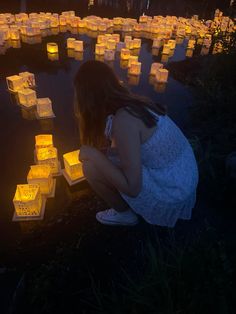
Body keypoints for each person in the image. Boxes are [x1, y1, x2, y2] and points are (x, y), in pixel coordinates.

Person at [74, 60, 199, 227]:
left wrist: (93, 154)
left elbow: (133, 188)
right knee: (105, 157)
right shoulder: (135, 103)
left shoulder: (124, 120)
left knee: (90, 167)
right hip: (183, 175)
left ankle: (125, 215)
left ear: (87, 98)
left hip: (172, 192)